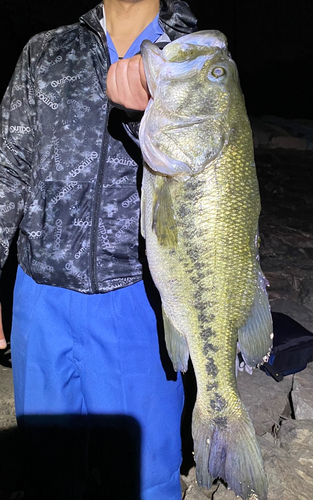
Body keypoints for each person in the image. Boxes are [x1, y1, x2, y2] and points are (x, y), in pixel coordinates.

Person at [0, 0, 197, 499]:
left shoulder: (194, 60)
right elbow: (8, 169)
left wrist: (141, 115)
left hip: (143, 303)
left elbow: (219, 193)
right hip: (40, 301)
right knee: (47, 474)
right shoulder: (44, 51)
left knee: (146, 480)